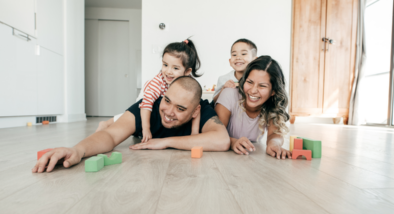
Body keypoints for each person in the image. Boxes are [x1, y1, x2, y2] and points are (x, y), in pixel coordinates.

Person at [33, 76, 230, 173]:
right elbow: (111, 135)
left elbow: (221, 140)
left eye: (180, 108)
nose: (169, 112)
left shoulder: (202, 110)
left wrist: (165, 142)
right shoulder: (149, 106)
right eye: (167, 101)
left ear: (195, 110)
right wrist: (77, 150)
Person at [96, 39, 202, 141]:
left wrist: (194, 133)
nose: (168, 72)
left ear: (187, 71)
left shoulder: (189, 85)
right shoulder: (158, 82)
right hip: (146, 96)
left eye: (175, 68)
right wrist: (146, 129)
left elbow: (195, 107)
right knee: (136, 114)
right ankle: (107, 123)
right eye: (165, 65)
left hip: (161, 99)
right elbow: (146, 104)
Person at [215, 56, 291, 159]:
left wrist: (274, 144)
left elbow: (274, 134)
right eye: (250, 82)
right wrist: (233, 142)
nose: (253, 90)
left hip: (248, 158)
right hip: (221, 156)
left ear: (273, 91)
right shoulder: (229, 95)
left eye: (262, 86)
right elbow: (215, 134)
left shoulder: (271, 106)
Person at [212, 39, 258, 103]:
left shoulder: (258, 79)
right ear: (230, 61)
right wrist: (223, 89)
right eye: (234, 55)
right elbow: (214, 101)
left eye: (243, 54)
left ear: (255, 60)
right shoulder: (223, 79)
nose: (238, 57)